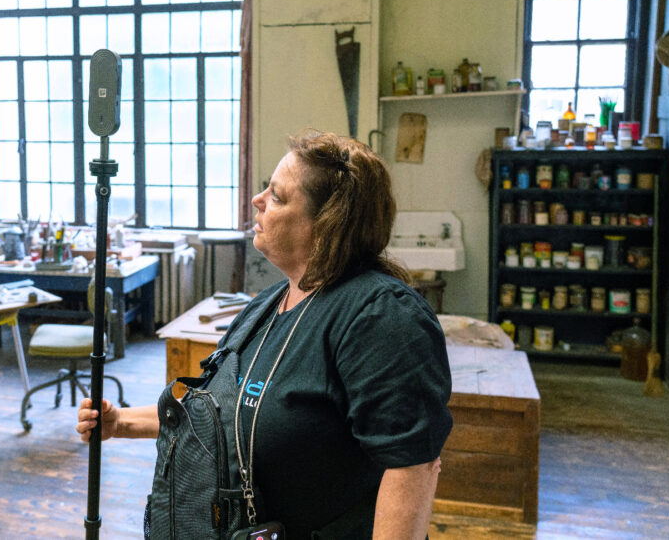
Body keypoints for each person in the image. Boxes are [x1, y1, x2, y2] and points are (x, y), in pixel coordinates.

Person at [78, 130, 453, 539]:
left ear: (327, 223)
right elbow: (222, 412)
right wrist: (122, 423)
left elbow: (412, 466)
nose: (257, 201)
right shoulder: (269, 303)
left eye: (276, 196)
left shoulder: (380, 316)